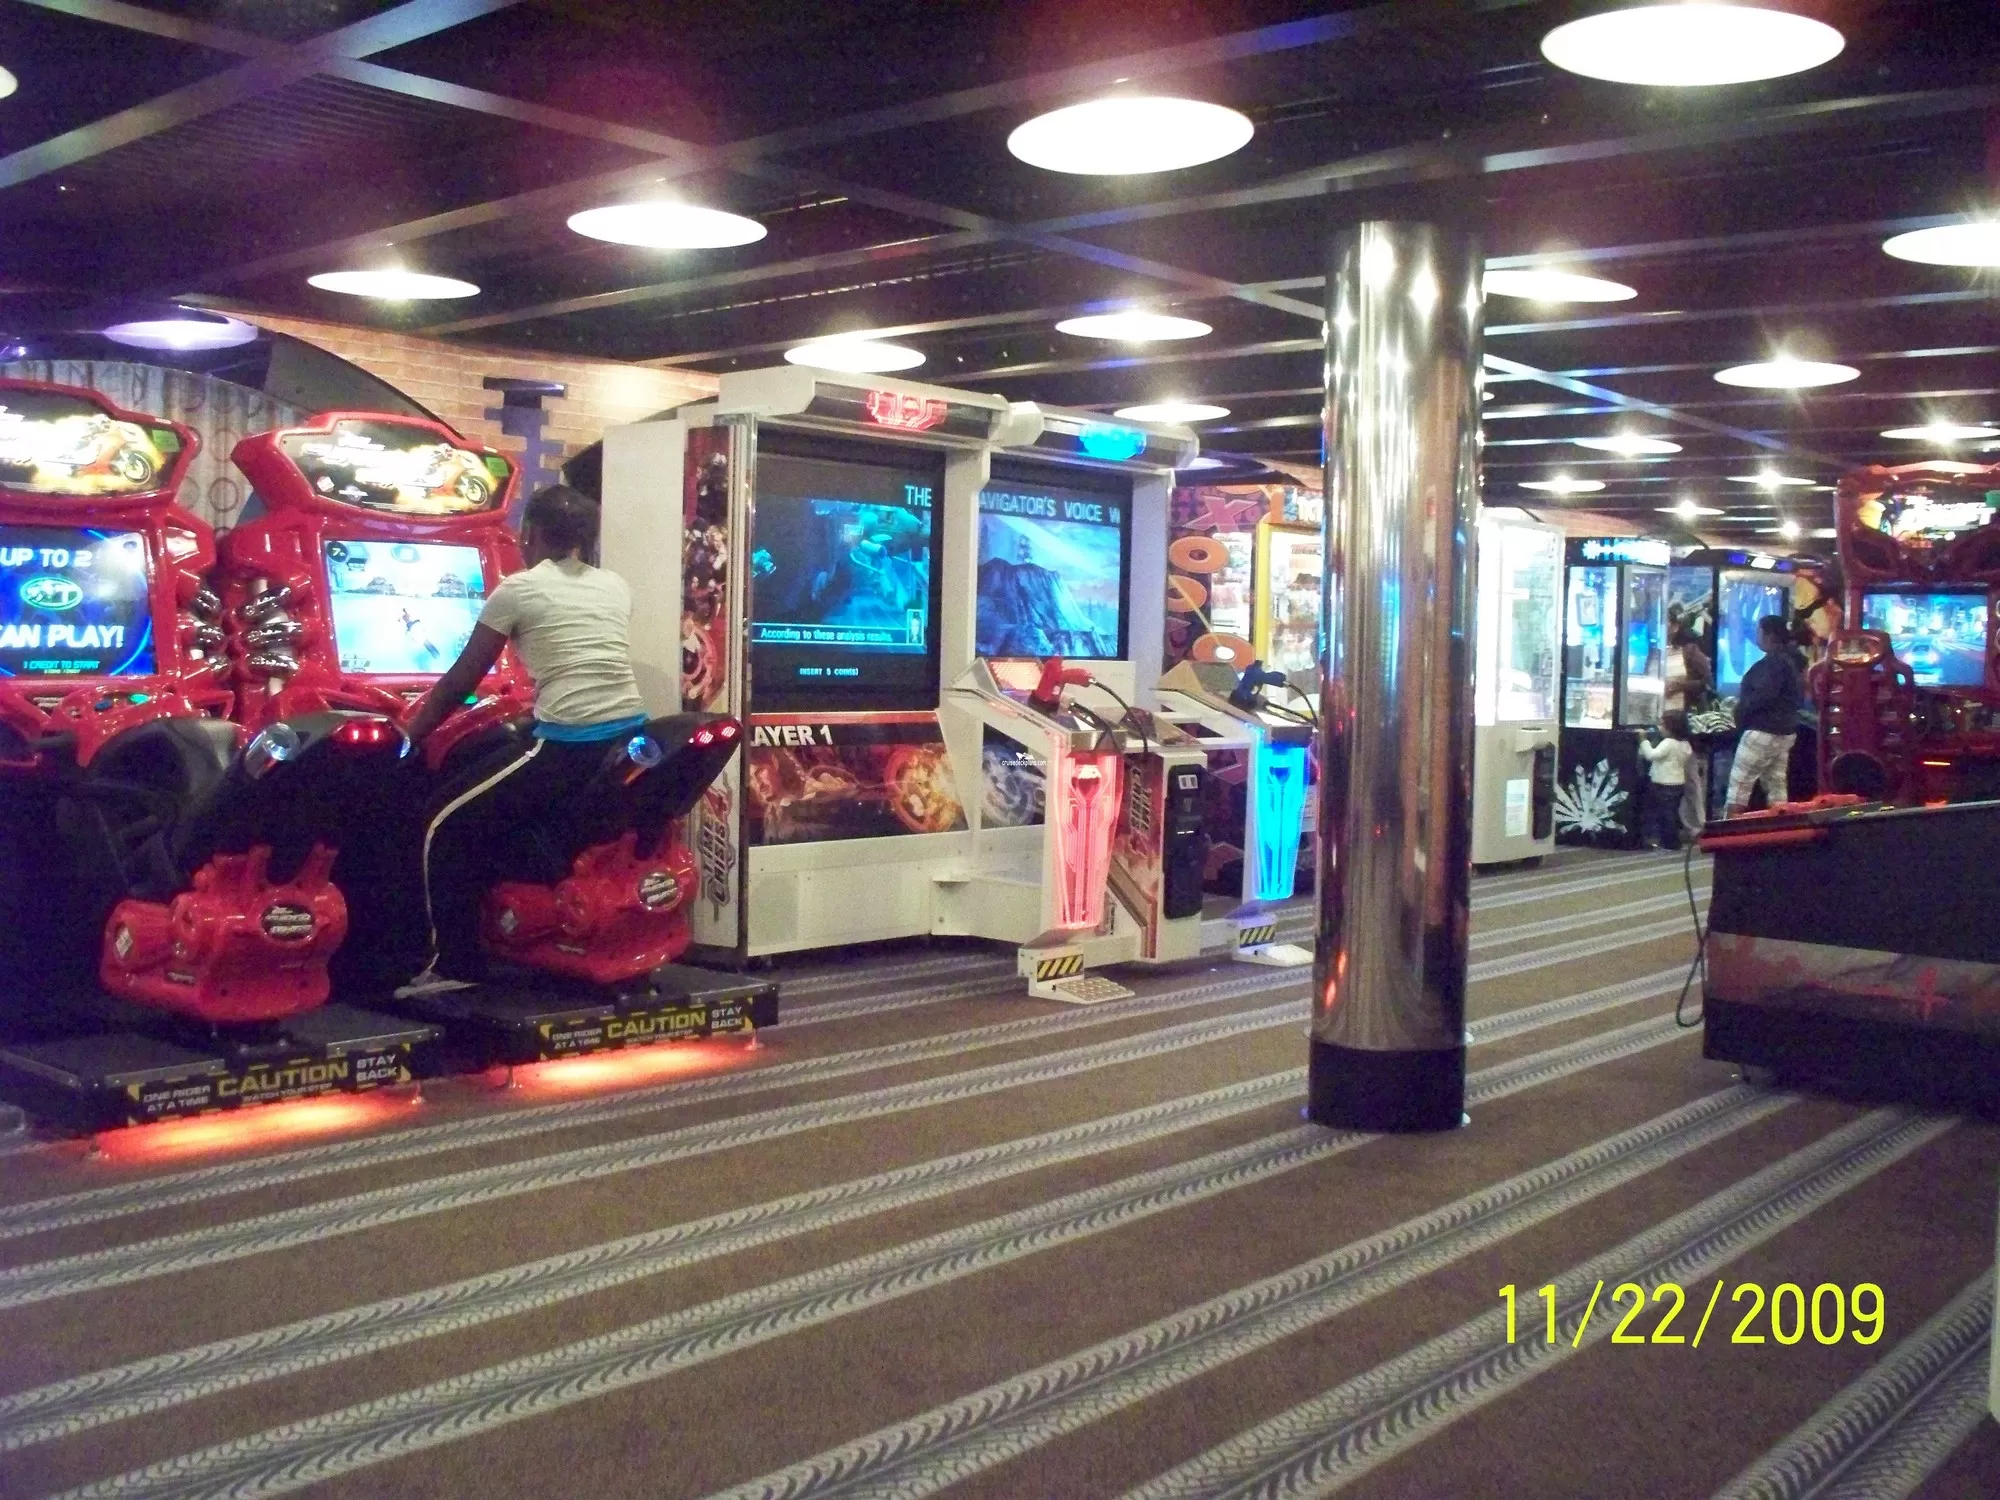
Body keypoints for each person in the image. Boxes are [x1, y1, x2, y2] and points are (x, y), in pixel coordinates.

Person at [403, 483, 650, 981]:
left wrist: (410, 735)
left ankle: (452, 963)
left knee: (440, 823)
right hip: (626, 737)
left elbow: (461, 680)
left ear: (529, 533)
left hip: (568, 746)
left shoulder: (518, 589)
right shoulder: (614, 586)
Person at [1724, 614, 1804, 817]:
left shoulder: (1773, 664)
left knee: (1739, 786)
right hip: (1785, 732)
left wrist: (1740, 712)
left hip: (1762, 730)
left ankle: (1730, 829)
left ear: (1769, 635)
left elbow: (1763, 696)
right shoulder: (1790, 661)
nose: (1756, 636)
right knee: (1776, 786)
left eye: (1758, 631)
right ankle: (1783, 829)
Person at [1637, 711, 1693, 850]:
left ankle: (1669, 843)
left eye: (1662, 725)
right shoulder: (1685, 744)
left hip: (1663, 784)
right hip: (1678, 783)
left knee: (1665, 815)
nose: (1659, 728)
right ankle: (1672, 841)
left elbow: (1651, 755)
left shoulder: (1668, 743)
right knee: (1672, 814)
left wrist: (1643, 740)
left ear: (1671, 727)